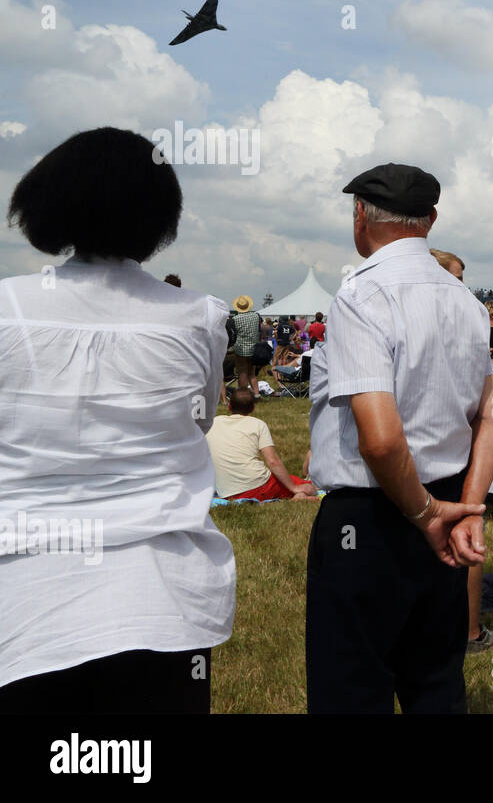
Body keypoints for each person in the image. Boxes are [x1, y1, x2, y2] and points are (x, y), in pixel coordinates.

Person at [0, 127, 234, 713]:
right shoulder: (200, 317)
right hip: (160, 602)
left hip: (26, 602)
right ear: (159, 215)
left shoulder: (8, 307)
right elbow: (197, 421)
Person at [305, 162, 493, 713]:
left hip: (372, 516)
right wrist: (467, 505)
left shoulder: (362, 296)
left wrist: (425, 515)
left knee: (350, 688)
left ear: (359, 218)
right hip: (445, 500)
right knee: (435, 681)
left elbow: (380, 441)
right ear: (431, 219)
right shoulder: (466, 302)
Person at [431, 246, 493, 653]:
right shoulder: (452, 321)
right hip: (438, 454)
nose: (463, 288)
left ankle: (469, 629)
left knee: (468, 532)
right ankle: (463, 629)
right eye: (455, 279)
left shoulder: (465, 320)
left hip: (463, 448)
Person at [207, 389, 316, 500]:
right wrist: (293, 487)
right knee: (309, 487)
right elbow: (273, 461)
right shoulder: (258, 425)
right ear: (253, 408)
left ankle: (296, 496)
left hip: (226, 492)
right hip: (257, 486)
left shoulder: (213, 422)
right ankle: (298, 495)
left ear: (229, 406)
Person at [230, 296, 261, 392]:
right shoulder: (256, 316)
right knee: (252, 373)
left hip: (241, 348)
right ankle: (256, 393)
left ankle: (243, 393)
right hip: (254, 348)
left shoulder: (235, 319)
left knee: (242, 372)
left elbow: (233, 334)